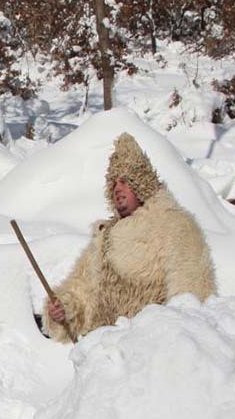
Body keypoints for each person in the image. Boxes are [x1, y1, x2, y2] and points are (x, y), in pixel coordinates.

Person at [43, 132, 216, 343]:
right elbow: (82, 292)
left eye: (124, 181)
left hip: (149, 354)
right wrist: (62, 309)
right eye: (114, 183)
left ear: (141, 183)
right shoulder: (104, 237)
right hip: (104, 355)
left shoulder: (176, 226)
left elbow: (191, 300)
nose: (117, 189)